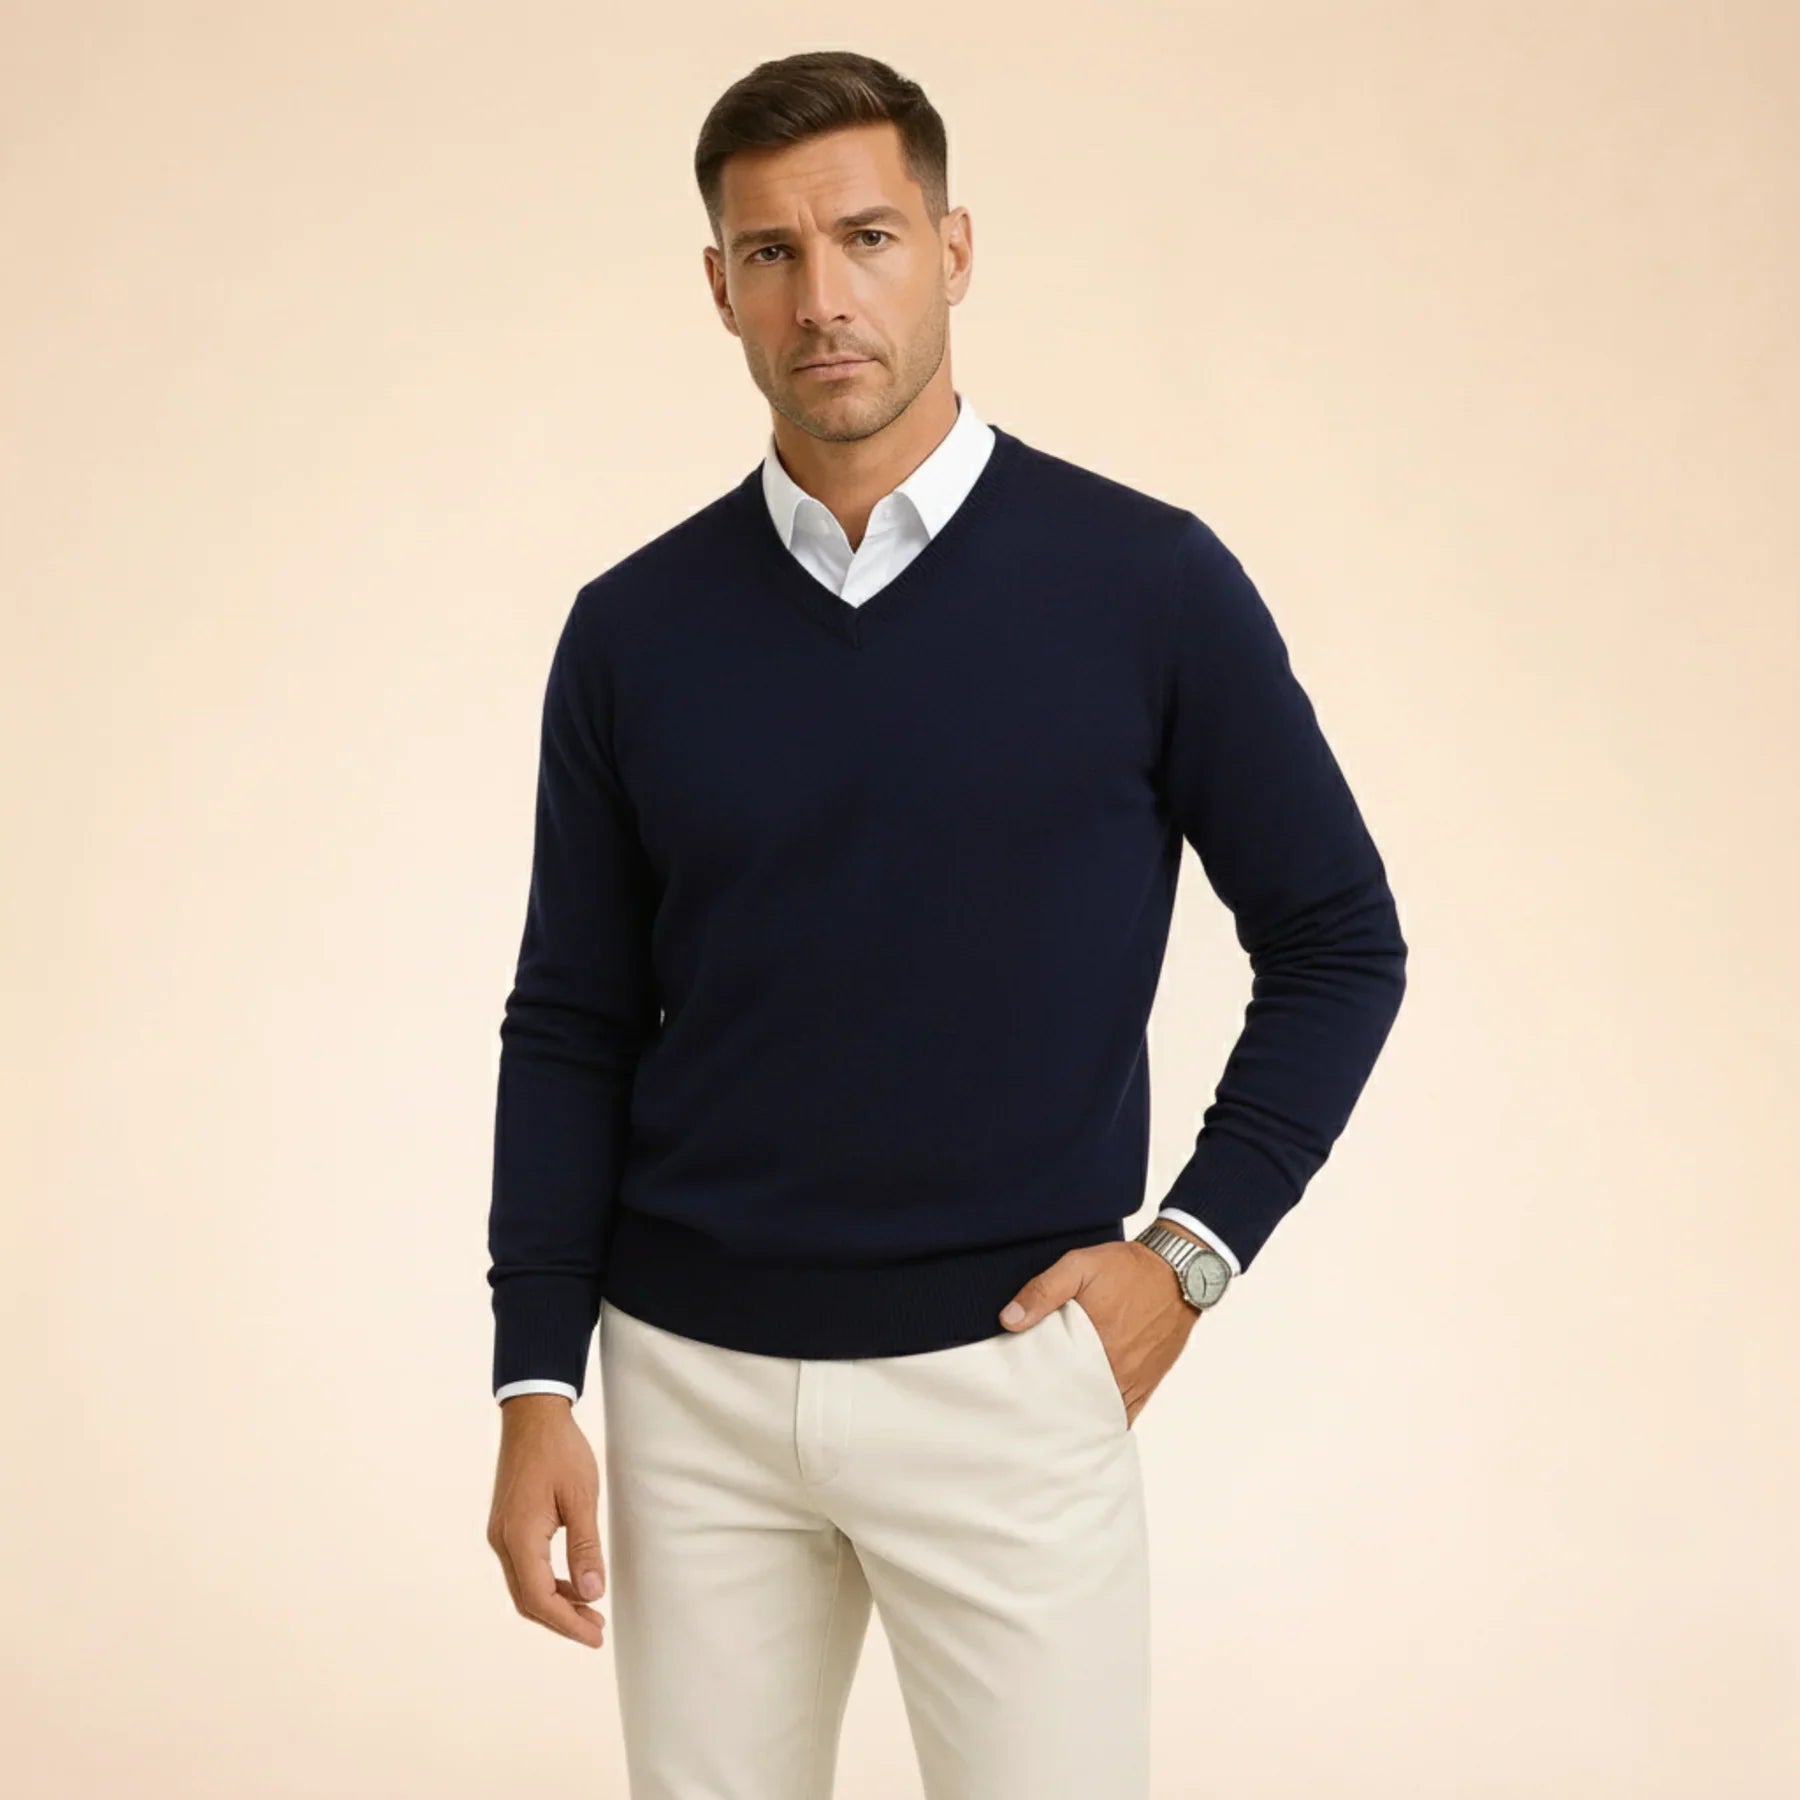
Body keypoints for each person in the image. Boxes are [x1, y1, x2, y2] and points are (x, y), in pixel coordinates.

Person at [484, 48, 1407, 1799]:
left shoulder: (1148, 585)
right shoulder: (633, 630)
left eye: (868, 237)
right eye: (771, 254)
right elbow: (573, 1018)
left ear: (955, 250)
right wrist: (536, 1378)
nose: (822, 299)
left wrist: (1191, 1255)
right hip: (689, 1386)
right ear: (719, 288)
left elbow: (1341, 939)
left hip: (1008, 1375)